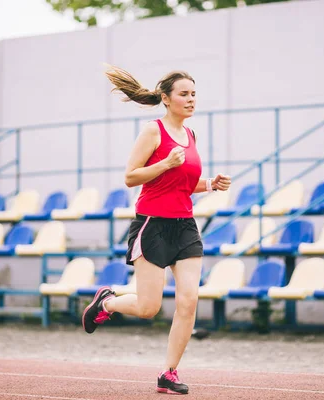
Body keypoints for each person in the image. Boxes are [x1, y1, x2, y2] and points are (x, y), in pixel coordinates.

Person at [82, 65, 231, 395]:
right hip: (152, 225)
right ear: (166, 99)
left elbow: (183, 184)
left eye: (194, 94)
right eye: (184, 94)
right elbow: (131, 177)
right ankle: (106, 303)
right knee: (148, 308)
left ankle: (169, 372)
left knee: (189, 301)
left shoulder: (191, 136)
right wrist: (165, 163)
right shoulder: (153, 131)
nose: (191, 100)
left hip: (185, 227)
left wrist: (210, 184)